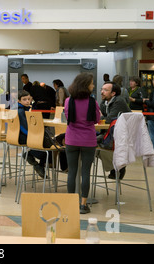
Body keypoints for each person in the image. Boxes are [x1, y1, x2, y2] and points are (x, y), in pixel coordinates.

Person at [64, 73, 100, 214]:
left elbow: (67, 117)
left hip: (71, 139)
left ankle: (70, 203)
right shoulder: (93, 102)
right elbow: (96, 120)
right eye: (91, 83)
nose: (93, 85)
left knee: (72, 171)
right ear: (86, 85)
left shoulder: (69, 101)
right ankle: (83, 204)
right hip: (88, 140)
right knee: (86, 172)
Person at [99, 81, 131, 179]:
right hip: (111, 133)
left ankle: (118, 167)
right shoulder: (104, 102)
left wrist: (101, 117)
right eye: (102, 89)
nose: (102, 92)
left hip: (121, 136)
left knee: (90, 141)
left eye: (105, 90)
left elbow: (108, 119)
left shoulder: (119, 101)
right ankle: (115, 166)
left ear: (113, 93)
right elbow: (103, 118)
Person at [17, 90, 46, 178]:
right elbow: (23, 128)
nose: (27, 101)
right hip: (23, 136)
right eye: (24, 99)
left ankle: (34, 160)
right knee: (45, 149)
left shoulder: (25, 109)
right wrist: (33, 136)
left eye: (29, 99)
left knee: (45, 144)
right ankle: (37, 163)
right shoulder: (20, 111)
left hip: (18, 135)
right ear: (19, 101)